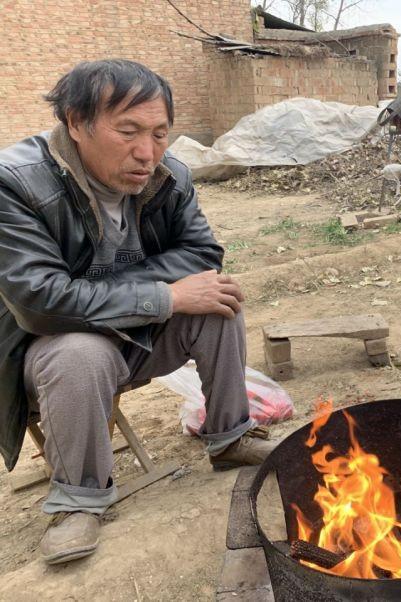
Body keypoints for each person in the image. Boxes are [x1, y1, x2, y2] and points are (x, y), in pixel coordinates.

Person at [0, 60, 275, 565]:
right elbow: (40, 301)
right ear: (76, 122)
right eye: (127, 131)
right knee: (81, 351)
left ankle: (230, 436)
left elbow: (201, 255)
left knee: (217, 297)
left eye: (159, 133)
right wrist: (162, 296)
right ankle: (79, 498)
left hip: (131, 338)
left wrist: (122, 295)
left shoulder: (168, 176)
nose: (146, 153)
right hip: (47, 352)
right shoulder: (15, 183)